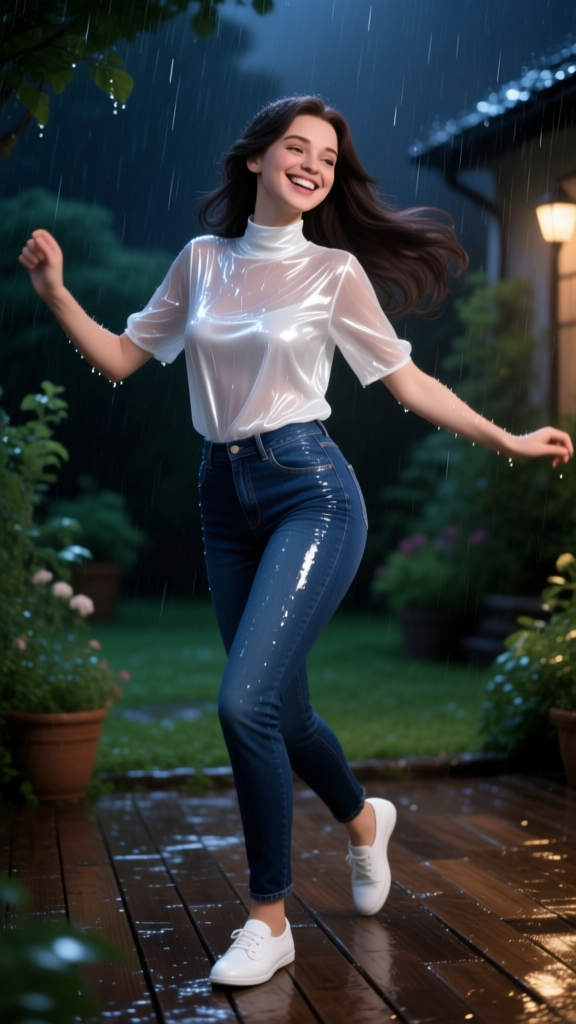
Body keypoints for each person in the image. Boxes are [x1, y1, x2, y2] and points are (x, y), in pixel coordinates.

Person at [19, 95, 572, 988]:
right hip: (221, 496)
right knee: (285, 707)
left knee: (245, 705)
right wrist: (54, 293)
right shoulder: (201, 261)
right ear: (256, 161)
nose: (313, 163)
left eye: (327, 154)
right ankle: (364, 820)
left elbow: (407, 380)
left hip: (310, 491)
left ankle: (268, 918)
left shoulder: (335, 272)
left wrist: (506, 439)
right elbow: (124, 359)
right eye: (295, 147)